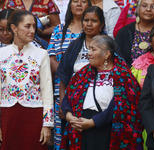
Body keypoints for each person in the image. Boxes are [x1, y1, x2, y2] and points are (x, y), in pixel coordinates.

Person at [60, 35, 143, 150]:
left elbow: (120, 105)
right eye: (89, 48)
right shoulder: (83, 74)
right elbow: (68, 97)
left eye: (93, 49)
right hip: (80, 128)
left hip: (107, 130)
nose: (89, 53)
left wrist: (93, 122)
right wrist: (69, 116)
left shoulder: (123, 76)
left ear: (107, 54)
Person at [0, 9, 54, 150]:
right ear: (14, 28)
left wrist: (47, 124)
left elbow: (47, 90)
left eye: (34, 26)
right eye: (27, 26)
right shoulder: (1, 54)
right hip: (7, 115)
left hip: (34, 116)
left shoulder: (42, 54)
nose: (32, 30)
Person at [56, 4, 105, 146]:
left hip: (100, 107)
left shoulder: (109, 46)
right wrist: (62, 105)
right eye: (86, 20)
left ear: (101, 24)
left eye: (94, 21)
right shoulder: (74, 46)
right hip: (73, 106)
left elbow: (118, 78)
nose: (89, 24)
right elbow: (64, 78)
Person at [47, 0, 91, 149]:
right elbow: (52, 59)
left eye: (83, 1)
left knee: (84, 131)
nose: (79, 4)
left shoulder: (94, 30)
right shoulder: (59, 30)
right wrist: (69, 79)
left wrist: (80, 80)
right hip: (62, 89)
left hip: (89, 91)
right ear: (69, 6)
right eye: (75, 1)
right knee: (61, 136)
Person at [115, 0, 154, 67]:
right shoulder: (125, 31)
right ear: (138, 10)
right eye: (144, 6)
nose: (148, 9)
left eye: (153, 7)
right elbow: (116, 57)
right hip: (128, 74)